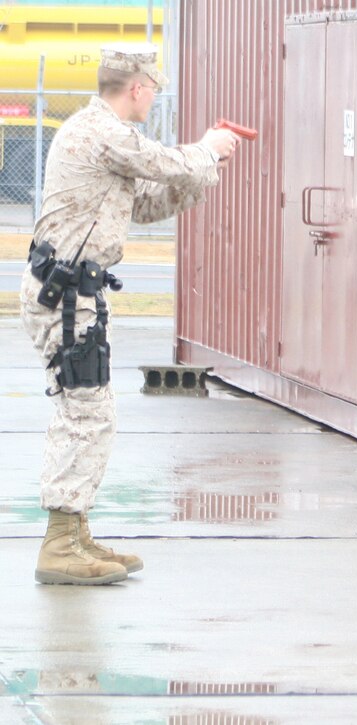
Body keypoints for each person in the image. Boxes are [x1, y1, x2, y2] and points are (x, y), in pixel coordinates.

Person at [20, 42, 239, 585]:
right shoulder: (101, 132)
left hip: (76, 297)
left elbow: (143, 203)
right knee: (86, 414)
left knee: (90, 412)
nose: (153, 99)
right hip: (67, 299)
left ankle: (74, 533)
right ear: (138, 88)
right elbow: (159, 161)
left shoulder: (100, 138)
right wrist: (207, 151)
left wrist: (202, 173)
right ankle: (60, 543)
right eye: (153, 90)